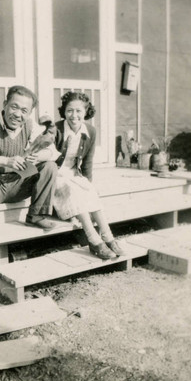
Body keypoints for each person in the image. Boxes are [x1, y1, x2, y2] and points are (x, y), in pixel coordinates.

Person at [0, 85, 59, 239]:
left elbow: (52, 152)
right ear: (4, 105)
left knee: (50, 166)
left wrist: (39, 156)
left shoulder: (30, 125)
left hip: (18, 185)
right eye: (14, 107)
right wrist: (6, 161)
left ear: (29, 113)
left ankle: (36, 216)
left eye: (24, 111)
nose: (18, 114)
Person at [53, 91, 124, 259]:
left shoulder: (90, 131)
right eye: (69, 110)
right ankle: (93, 239)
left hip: (73, 173)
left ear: (86, 112)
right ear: (64, 111)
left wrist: (88, 183)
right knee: (74, 190)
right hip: (55, 174)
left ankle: (108, 236)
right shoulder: (55, 129)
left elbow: (87, 163)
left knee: (89, 190)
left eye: (78, 111)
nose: (74, 115)